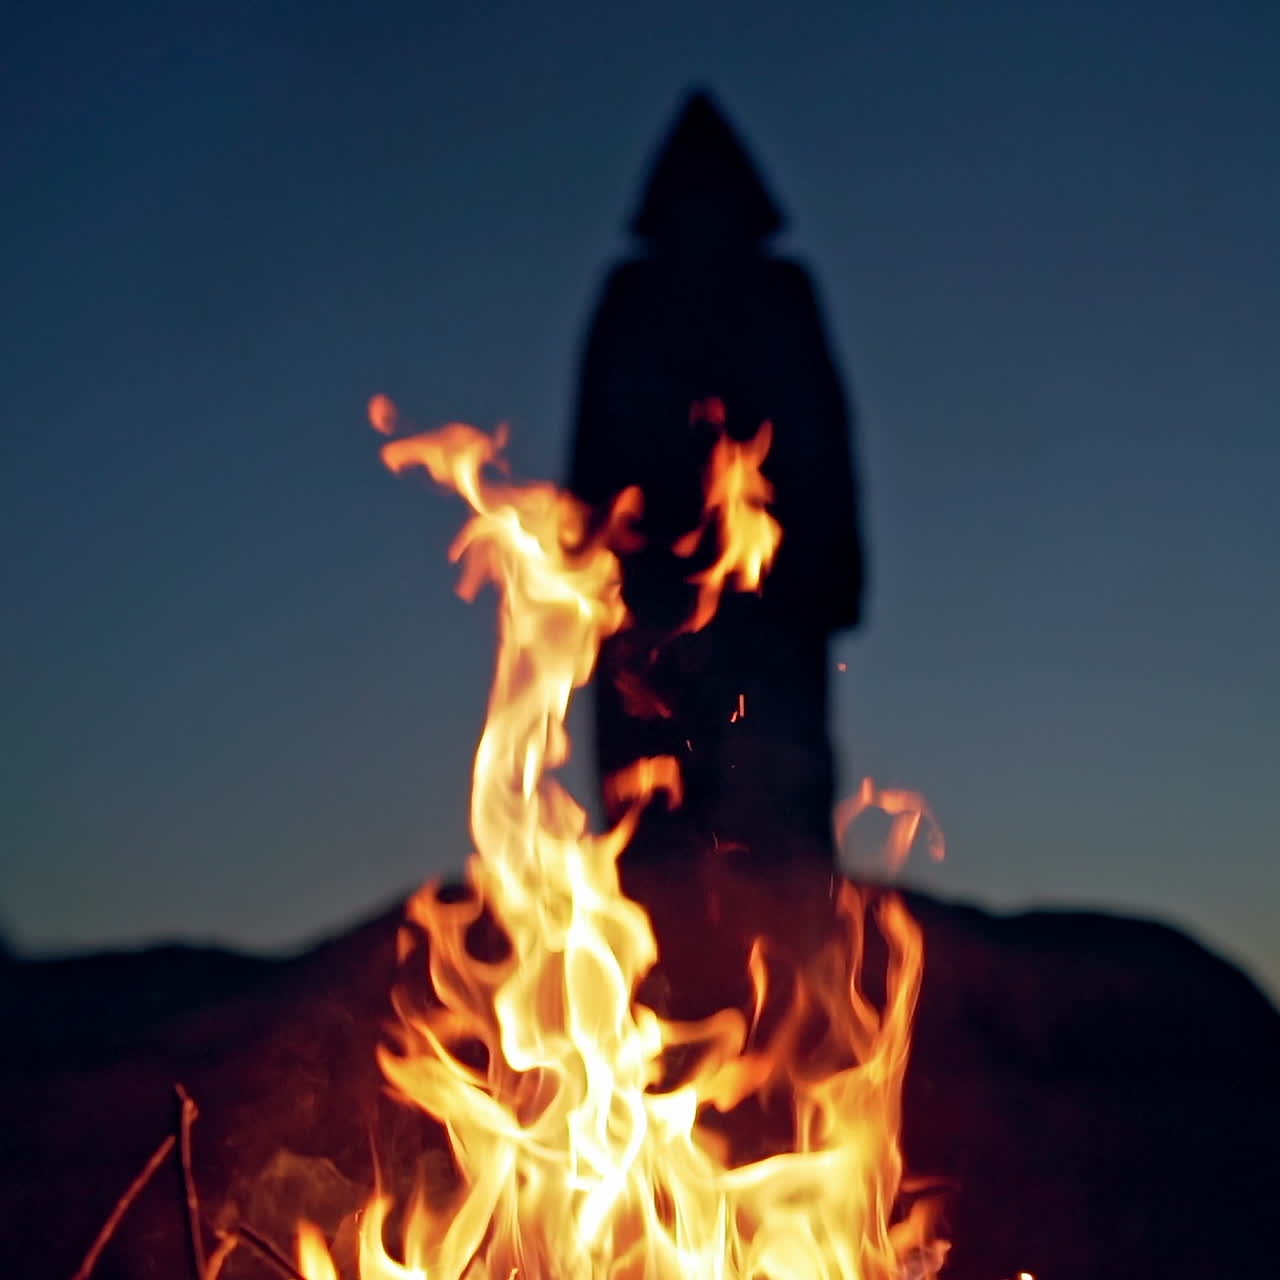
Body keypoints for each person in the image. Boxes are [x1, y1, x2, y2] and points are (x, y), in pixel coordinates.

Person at [568, 89, 865, 867]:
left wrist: (829, 579)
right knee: (652, 817)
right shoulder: (631, 301)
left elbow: (820, 433)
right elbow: (596, 447)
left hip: (774, 610)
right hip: (648, 611)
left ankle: (787, 978)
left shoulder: (780, 298)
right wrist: (586, 580)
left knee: (776, 810)